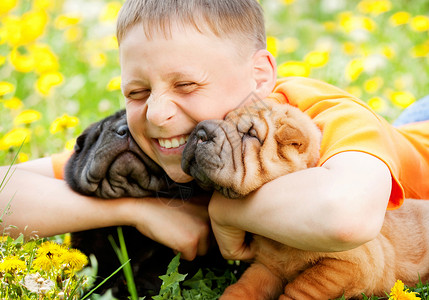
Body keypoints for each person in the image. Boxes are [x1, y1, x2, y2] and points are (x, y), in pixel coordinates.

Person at [1, 0, 428, 264]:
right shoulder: (164, 139)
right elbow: (8, 190)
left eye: (186, 85)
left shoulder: (314, 113)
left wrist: (222, 212)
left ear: (260, 77)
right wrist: (136, 210)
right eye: (136, 91)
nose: (157, 112)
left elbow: (347, 218)